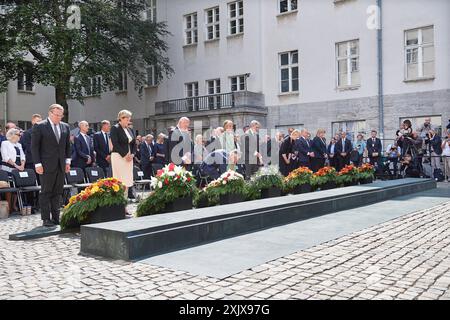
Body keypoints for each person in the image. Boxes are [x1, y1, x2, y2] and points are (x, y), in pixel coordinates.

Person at [31, 104, 71, 227]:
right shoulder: (40, 126)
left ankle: (56, 218)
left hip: (61, 165)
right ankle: (46, 219)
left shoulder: (65, 126)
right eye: (57, 115)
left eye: (61, 115)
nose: (59, 117)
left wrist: (67, 162)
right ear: (50, 113)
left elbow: (67, 146)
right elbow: (34, 147)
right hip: (46, 165)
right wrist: (37, 164)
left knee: (58, 192)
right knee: (46, 192)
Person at [110, 110, 136, 200]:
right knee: (120, 181)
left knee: (127, 180)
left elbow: (134, 143)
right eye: (127, 119)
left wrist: (132, 154)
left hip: (129, 157)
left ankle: (124, 203)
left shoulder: (130, 129)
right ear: (121, 118)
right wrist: (125, 155)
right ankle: (119, 203)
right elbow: (115, 143)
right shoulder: (115, 128)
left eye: (129, 119)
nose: (129, 121)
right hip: (119, 156)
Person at [1, 128, 26, 214]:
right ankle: (9, 207)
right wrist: (16, 166)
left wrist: (22, 165)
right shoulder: (5, 143)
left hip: (19, 168)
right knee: (10, 185)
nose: (20, 136)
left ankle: (14, 205)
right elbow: (5, 157)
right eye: (18, 135)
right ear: (12, 135)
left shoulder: (19, 145)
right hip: (9, 167)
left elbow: (23, 156)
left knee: (18, 185)